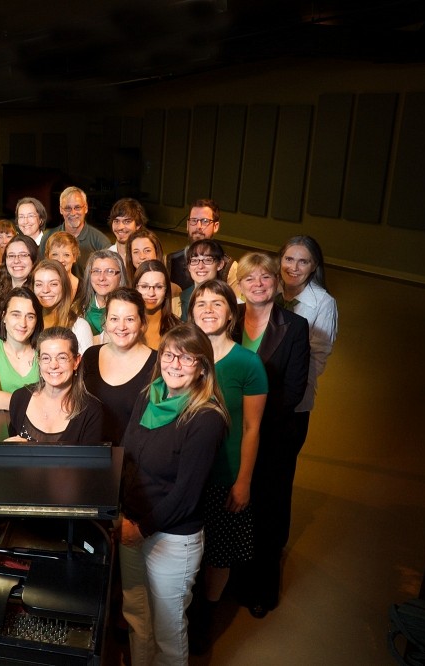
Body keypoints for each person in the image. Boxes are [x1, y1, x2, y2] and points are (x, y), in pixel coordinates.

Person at [119, 323, 229, 666]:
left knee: (168, 632)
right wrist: (122, 514)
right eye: (168, 355)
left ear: (202, 367)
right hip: (131, 524)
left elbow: (186, 495)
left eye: (186, 358)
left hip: (170, 538)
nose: (174, 364)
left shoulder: (205, 418)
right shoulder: (148, 396)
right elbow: (126, 456)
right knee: (137, 618)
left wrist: (141, 529)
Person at [187, 278, 268, 649]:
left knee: (218, 555)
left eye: (217, 303)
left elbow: (252, 428)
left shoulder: (248, 364)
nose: (208, 310)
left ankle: (206, 616)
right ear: (191, 312)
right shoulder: (181, 357)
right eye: (201, 303)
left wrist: (243, 481)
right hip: (187, 474)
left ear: (232, 313)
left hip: (225, 475)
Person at [233, 253, 311, 619]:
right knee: (233, 509)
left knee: (267, 511)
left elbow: (293, 390)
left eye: (265, 277)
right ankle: (230, 581)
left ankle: (261, 589)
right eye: (250, 278)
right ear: (240, 285)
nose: (258, 284)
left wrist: (251, 418)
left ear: (277, 283)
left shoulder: (295, 326)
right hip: (230, 432)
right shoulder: (228, 318)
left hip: (274, 434)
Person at [81, 287, 157, 445]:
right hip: (91, 453)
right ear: (106, 321)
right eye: (114, 319)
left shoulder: (158, 363)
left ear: (142, 323)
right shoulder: (90, 356)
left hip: (135, 456)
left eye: (130, 319)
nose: (121, 327)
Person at [6, 327, 103, 443]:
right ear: (39, 361)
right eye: (46, 358)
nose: (53, 365)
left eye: (62, 357)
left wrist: (29, 450)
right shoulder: (20, 398)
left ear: (76, 361)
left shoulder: (92, 411)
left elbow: (89, 456)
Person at [278, 235, 338, 416]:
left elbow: (318, 356)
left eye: (303, 262)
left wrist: (289, 390)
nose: (294, 268)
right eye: (289, 259)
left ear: (314, 266)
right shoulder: (267, 289)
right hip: (256, 388)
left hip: (292, 396)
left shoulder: (324, 302)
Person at [0, 286, 42, 409]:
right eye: (16, 315)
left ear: (37, 320)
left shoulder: (44, 351)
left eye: (30, 317)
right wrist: (37, 404)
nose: (23, 323)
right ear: (4, 316)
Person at [166, 199, 237, 292]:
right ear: (187, 225)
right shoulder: (170, 261)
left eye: (205, 221)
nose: (198, 226)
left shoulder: (230, 267)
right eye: (193, 220)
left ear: (215, 226)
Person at [31, 259, 93, 353]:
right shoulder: (29, 323)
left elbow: (85, 362)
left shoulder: (79, 327)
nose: (45, 290)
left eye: (53, 284)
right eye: (39, 284)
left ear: (64, 286)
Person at [0, 234, 38, 336]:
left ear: (34, 260)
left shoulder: (40, 292)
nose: (16, 261)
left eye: (23, 255)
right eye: (11, 256)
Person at [58, 186, 110, 274]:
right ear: (60, 210)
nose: (73, 213)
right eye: (67, 208)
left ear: (86, 208)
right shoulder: (48, 238)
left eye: (77, 207)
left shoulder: (101, 242)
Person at [79, 250, 127, 337]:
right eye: (96, 271)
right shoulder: (77, 310)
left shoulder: (130, 310)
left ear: (121, 276)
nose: (101, 278)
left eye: (109, 271)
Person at [135, 260, 180, 350]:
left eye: (158, 287)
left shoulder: (179, 330)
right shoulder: (123, 327)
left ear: (166, 291)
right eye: (144, 286)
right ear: (136, 288)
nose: (151, 293)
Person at [178, 240, 226, 324]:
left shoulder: (228, 298)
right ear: (188, 266)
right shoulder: (180, 298)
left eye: (207, 260)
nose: (200, 266)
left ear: (220, 264)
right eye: (194, 260)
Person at [109, 197, 148, 269]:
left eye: (127, 221)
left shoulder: (145, 257)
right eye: (116, 221)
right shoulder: (107, 256)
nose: (120, 227)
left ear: (138, 225)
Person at [46, 230, 80, 295]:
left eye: (66, 255)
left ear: (74, 257)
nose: (61, 260)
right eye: (55, 254)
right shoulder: (39, 285)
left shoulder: (85, 288)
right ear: (47, 257)